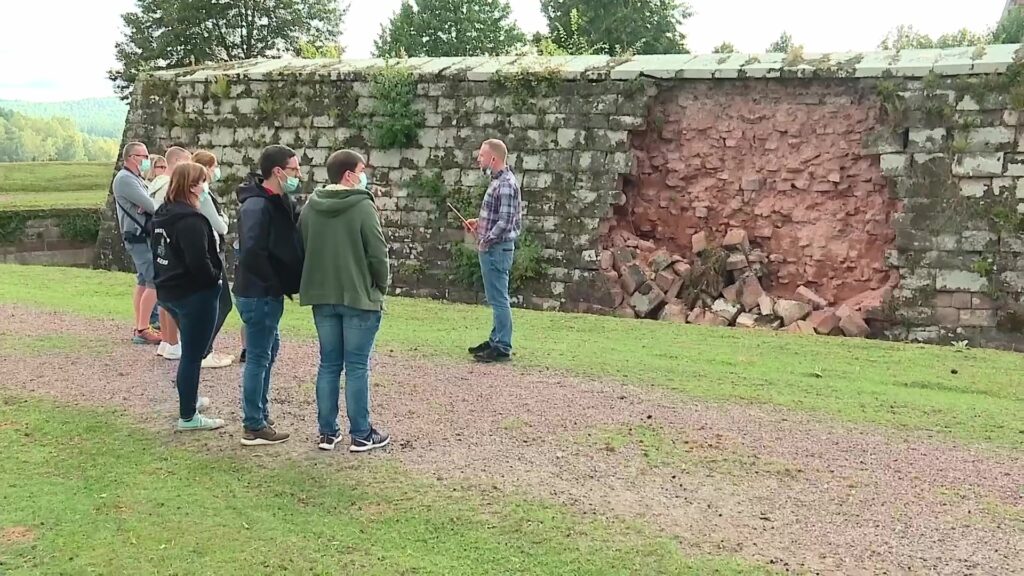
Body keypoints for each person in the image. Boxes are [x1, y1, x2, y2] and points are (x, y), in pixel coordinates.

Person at [299, 149, 391, 453]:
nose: (365, 175)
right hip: (358, 296)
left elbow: (302, 245)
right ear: (349, 175)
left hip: (322, 295)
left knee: (328, 364)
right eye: (362, 170)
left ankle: (327, 432)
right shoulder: (362, 207)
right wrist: (380, 285)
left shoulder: (311, 207)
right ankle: (361, 433)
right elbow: (378, 253)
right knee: (356, 366)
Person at [233, 145, 305, 446]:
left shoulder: (275, 200)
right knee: (259, 356)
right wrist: (273, 282)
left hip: (264, 290)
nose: (298, 175)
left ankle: (259, 414)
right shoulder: (257, 206)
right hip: (258, 291)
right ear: (278, 171)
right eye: (294, 169)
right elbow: (252, 251)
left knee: (268, 350)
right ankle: (254, 424)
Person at [151, 162, 226, 431]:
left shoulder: (163, 213)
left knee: (189, 352)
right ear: (193, 186)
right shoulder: (192, 221)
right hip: (195, 293)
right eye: (203, 181)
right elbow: (199, 262)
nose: (206, 186)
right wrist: (215, 277)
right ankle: (188, 416)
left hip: (169, 289)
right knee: (193, 355)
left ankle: (189, 399)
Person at [463, 139, 522, 363]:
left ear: (493, 159)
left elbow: (506, 222)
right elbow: (499, 216)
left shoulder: (505, 183)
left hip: (496, 249)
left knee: (498, 298)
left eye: (481, 155)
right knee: (496, 296)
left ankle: (502, 345)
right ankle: (496, 338)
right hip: (494, 246)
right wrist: (479, 223)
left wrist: (486, 239)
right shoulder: (499, 181)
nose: (478, 159)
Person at [113, 142, 161, 345]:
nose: (147, 160)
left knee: (143, 281)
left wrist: (145, 205)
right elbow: (152, 205)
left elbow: (147, 204)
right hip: (138, 236)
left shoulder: (134, 179)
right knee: (153, 279)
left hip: (140, 235)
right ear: (132, 157)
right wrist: (146, 206)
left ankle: (144, 324)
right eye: (144, 156)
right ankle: (142, 328)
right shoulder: (126, 179)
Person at [191, 150, 234, 369]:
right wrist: (224, 218)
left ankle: (203, 349)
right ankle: (204, 350)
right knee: (222, 302)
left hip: (203, 251)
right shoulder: (204, 195)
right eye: (213, 166)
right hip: (211, 252)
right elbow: (220, 225)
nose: (216, 170)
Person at [150, 146, 192, 359]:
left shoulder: (155, 183)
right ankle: (174, 342)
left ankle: (167, 341)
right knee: (174, 295)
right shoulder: (168, 184)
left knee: (165, 294)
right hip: (171, 241)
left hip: (160, 241)